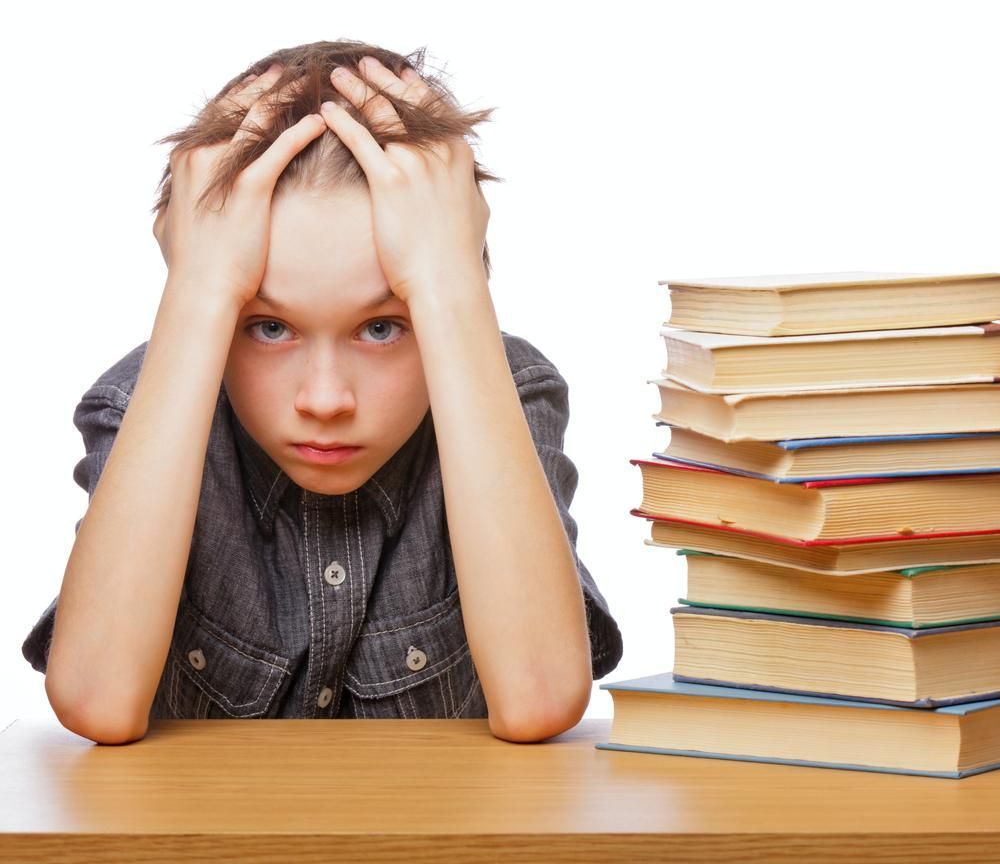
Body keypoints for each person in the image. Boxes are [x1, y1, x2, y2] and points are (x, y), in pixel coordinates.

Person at [21, 39, 623, 744]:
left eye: (382, 327)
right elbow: (97, 701)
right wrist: (197, 289)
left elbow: (540, 698)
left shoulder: (507, 391)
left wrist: (447, 280)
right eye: (269, 326)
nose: (326, 399)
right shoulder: (142, 403)